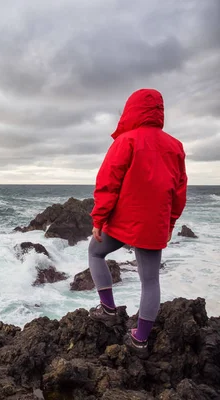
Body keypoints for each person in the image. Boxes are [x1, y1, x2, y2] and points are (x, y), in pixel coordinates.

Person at [87, 88, 187, 356]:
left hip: (122, 221)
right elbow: (179, 191)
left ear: (132, 109)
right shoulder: (175, 146)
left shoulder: (126, 141)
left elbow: (108, 183)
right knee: (150, 280)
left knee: (95, 252)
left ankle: (107, 309)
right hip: (153, 223)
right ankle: (140, 340)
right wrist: (170, 224)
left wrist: (99, 218)